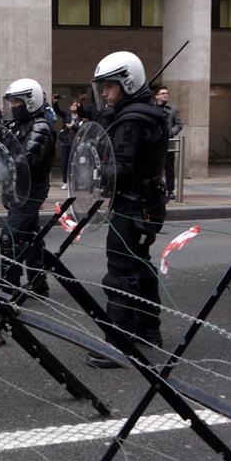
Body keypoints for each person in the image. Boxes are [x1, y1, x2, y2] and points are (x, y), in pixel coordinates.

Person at [87, 51, 169, 369]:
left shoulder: (132, 121)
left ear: (127, 82)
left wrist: (95, 163)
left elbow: (119, 169)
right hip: (146, 204)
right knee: (140, 267)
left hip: (131, 204)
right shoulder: (147, 114)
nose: (105, 93)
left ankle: (118, 345)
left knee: (121, 272)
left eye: (109, 86)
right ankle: (148, 331)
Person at [0, 79, 54, 297]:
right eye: (11, 101)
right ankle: (39, 284)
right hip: (20, 188)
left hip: (32, 189)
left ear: (30, 101)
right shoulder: (20, 124)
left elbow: (26, 161)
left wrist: (4, 160)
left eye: (16, 101)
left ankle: (9, 288)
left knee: (9, 237)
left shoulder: (39, 127)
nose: (13, 105)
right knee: (30, 235)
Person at [154, 86, 183, 199]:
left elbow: (179, 124)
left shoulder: (173, 109)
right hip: (155, 143)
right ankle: (155, 189)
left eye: (167, 93)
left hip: (168, 143)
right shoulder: (151, 108)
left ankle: (170, 190)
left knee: (169, 168)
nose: (165, 95)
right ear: (157, 96)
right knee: (155, 168)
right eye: (162, 93)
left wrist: (171, 133)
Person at [52, 96, 83, 190]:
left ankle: (76, 182)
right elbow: (58, 111)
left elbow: (81, 128)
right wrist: (55, 103)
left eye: (76, 106)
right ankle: (65, 181)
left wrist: (72, 127)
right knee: (65, 162)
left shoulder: (81, 117)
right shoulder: (67, 114)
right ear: (70, 107)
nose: (75, 107)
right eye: (73, 105)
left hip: (76, 142)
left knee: (75, 162)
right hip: (65, 141)